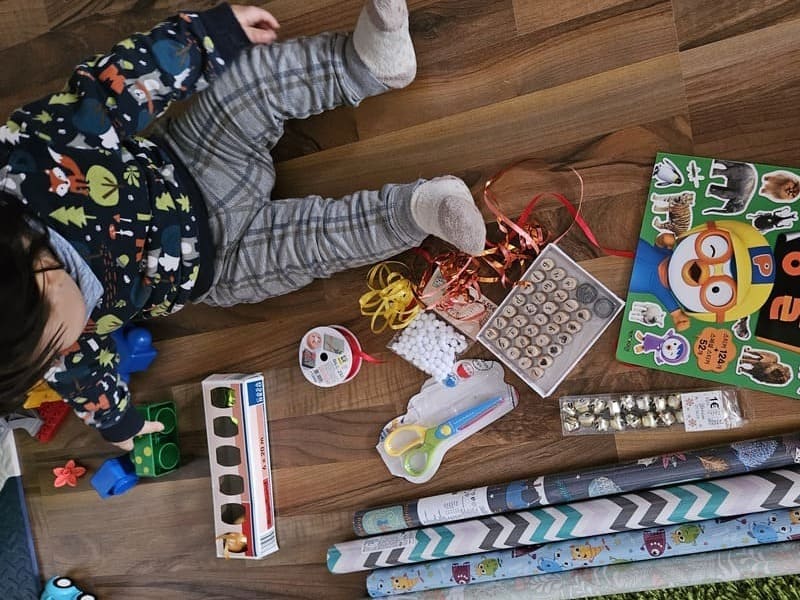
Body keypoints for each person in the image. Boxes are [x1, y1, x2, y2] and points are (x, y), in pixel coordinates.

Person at [0, 1, 486, 450]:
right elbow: (81, 376)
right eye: (51, 356)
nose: (69, 346)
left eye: (59, 335)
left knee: (249, 88)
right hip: (220, 266)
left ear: (35, 263)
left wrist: (208, 38)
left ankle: (364, 64)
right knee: (318, 242)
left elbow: (116, 89)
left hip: (192, 159)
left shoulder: (36, 159)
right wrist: (121, 426)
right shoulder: (42, 348)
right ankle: (419, 210)